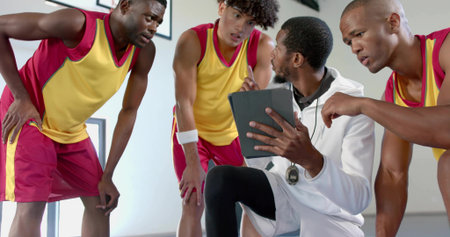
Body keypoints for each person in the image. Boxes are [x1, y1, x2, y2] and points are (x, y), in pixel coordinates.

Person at [0, 0, 166, 236]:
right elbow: (1, 27)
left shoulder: (144, 52)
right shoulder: (77, 24)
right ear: (126, 5)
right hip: (30, 116)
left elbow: (129, 111)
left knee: (101, 201)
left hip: (70, 129)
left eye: (158, 22)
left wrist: (108, 175)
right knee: (33, 205)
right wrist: (20, 97)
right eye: (149, 18)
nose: (153, 28)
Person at [204, 16, 375, 237]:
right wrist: (254, 116)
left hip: (327, 211)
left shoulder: (353, 105)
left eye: (278, 48)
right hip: (284, 193)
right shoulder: (280, 94)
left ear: (296, 59)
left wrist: (312, 160)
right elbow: (261, 166)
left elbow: (358, 200)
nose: (271, 53)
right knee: (220, 178)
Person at [321, 0, 450, 235]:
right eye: (349, 42)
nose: (354, 48)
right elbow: (393, 175)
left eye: (358, 34)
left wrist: (364, 105)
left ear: (393, 22)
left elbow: (447, 130)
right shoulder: (394, 96)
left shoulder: (446, 49)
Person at [171, 0, 279, 236]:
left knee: (251, 202)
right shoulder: (192, 41)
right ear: (221, 7)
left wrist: (253, 97)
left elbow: (254, 110)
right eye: (237, 15)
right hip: (193, 131)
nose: (241, 27)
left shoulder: (262, 46)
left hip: (232, 132)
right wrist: (192, 161)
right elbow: (183, 103)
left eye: (250, 22)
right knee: (193, 201)